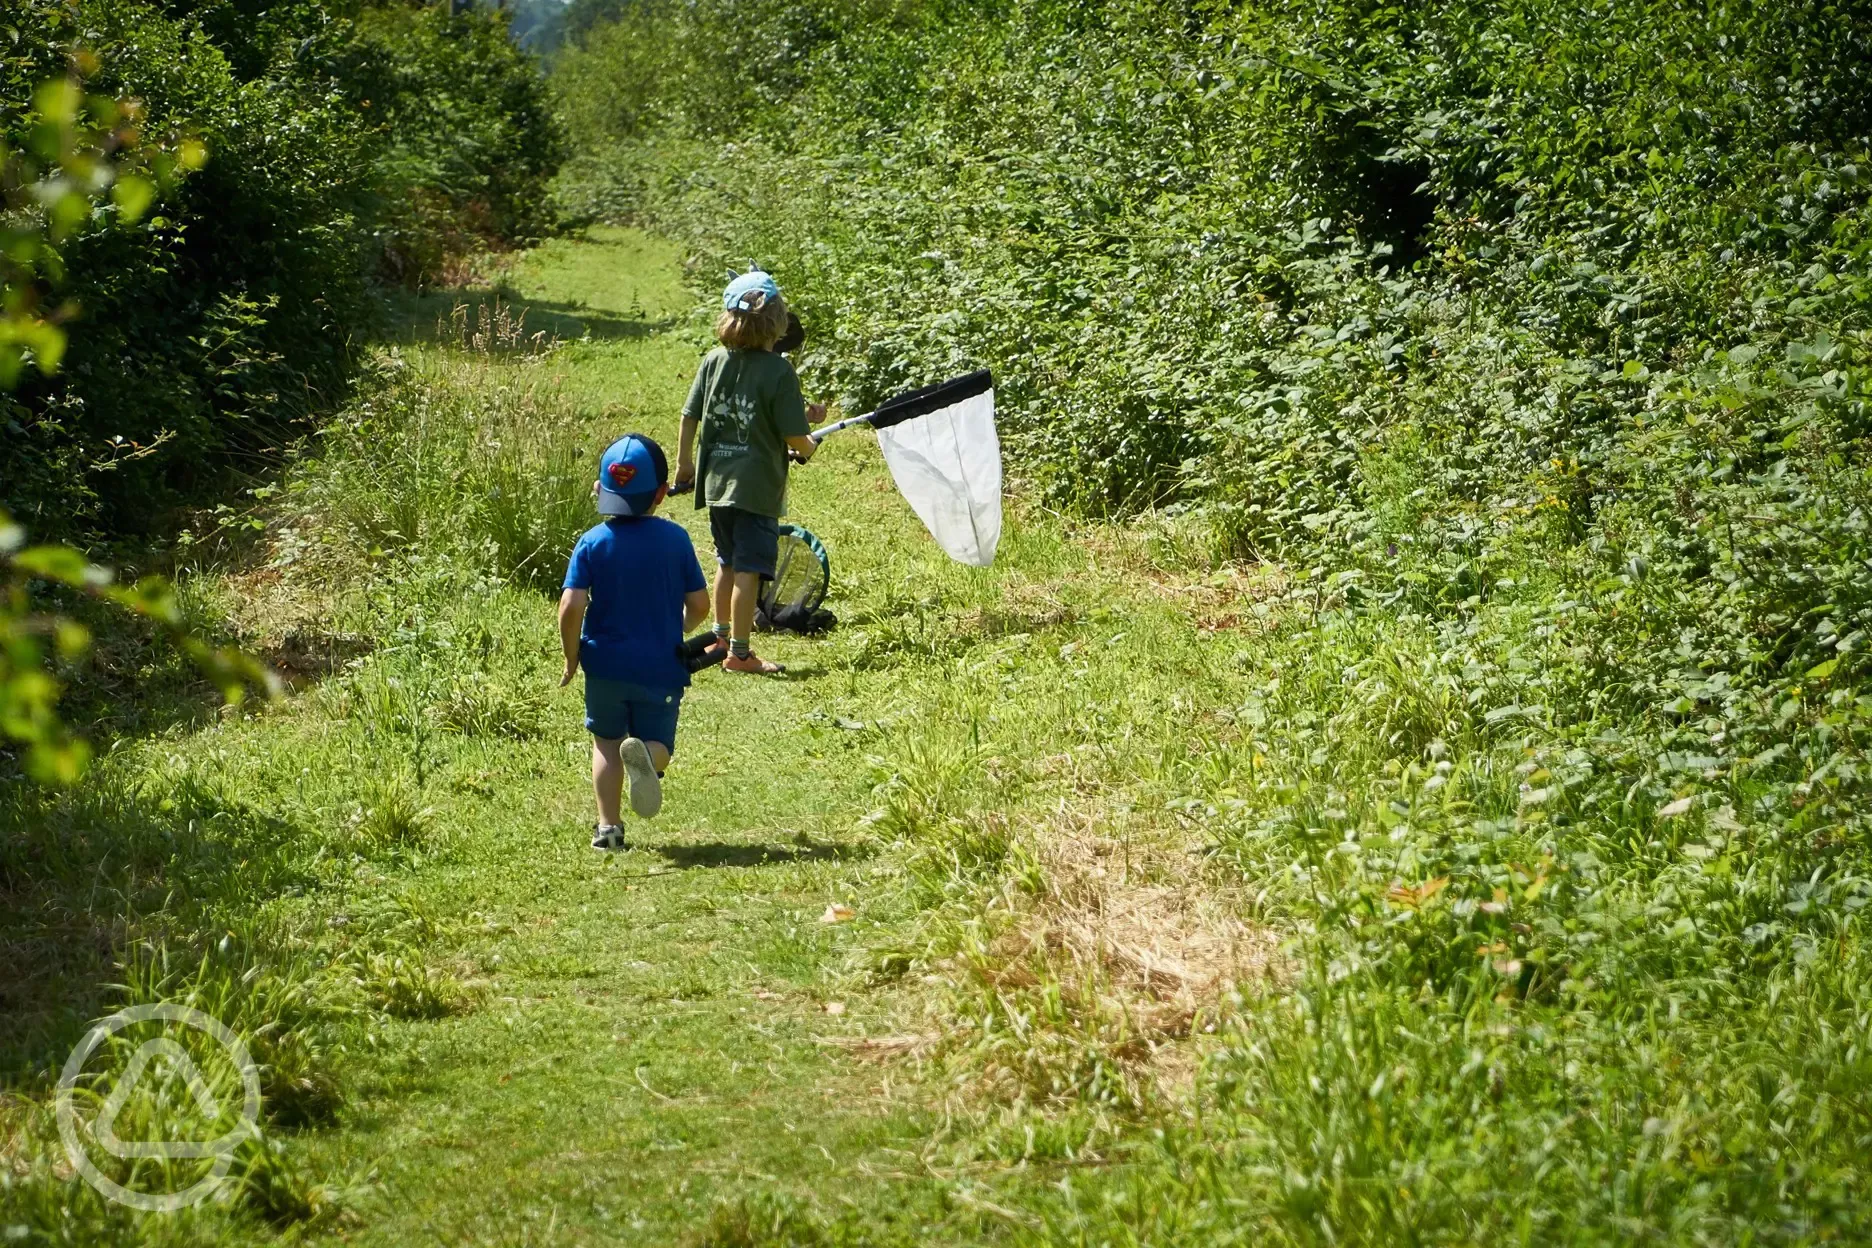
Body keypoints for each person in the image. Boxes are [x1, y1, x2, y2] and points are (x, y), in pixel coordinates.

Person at [559, 433, 710, 851]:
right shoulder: (675, 539)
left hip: (604, 664)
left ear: (599, 490)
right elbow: (700, 603)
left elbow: (571, 606)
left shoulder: (592, 542)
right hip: (659, 665)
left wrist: (572, 657)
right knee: (658, 744)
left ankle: (608, 829)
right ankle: (647, 756)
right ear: (661, 493)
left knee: (606, 743)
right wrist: (680, 624)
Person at [673, 269, 824, 675]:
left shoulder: (713, 360)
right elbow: (796, 436)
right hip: (756, 487)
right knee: (750, 570)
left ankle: (721, 635)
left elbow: (689, 416)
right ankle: (740, 654)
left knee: (725, 561)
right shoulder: (778, 371)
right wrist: (810, 444)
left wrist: (685, 464)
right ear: (777, 322)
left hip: (717, 482)